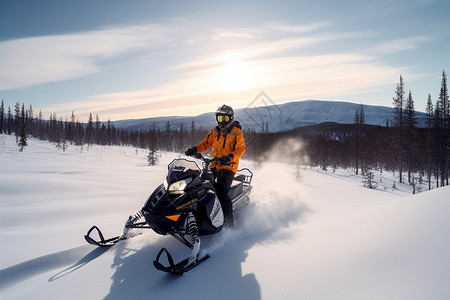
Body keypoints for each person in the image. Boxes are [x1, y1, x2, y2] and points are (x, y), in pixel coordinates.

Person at [185, 104, 246, 227]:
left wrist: (230, 157)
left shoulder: (236, 132)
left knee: (221, 192)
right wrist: (195, 149)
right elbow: (206, 144)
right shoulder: (215, 132)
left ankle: (229, 224)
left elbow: (241, 149)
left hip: (228, 167)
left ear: (231, 118)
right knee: (200, 187)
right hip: (214, 165)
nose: (222, 122)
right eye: (220, 118)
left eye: (225, 119)